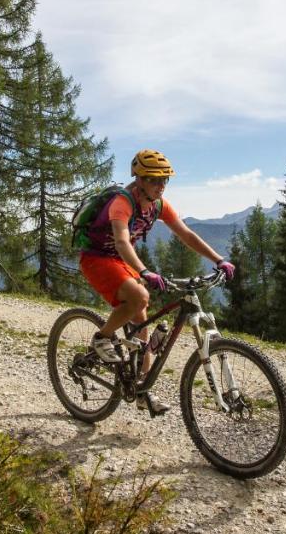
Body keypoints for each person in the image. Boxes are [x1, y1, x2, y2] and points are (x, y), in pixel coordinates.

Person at [79, 149, 236, 415]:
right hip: (97, 258)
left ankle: (141, 389)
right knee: (139, 297)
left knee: (141, 319)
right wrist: (143, 271)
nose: (160, 185)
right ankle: (101, 338)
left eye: (164, 180)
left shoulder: (159, 205)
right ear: (139, 179)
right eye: (154, 179)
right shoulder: (122, 203)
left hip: (120, 259)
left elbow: (186, 234)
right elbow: (121, 241)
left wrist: (219, 259)